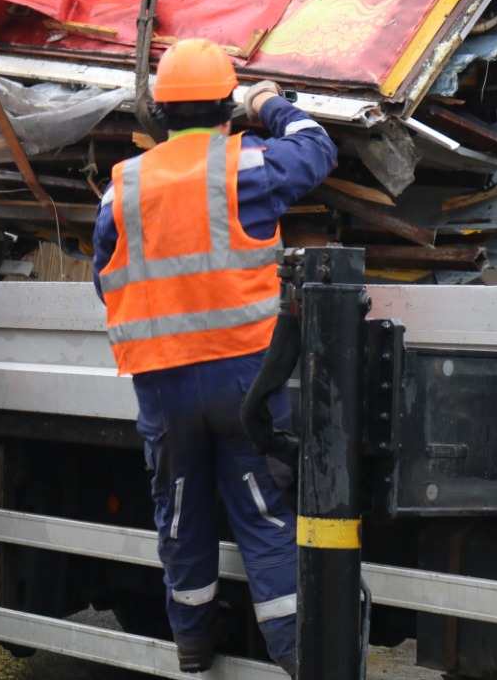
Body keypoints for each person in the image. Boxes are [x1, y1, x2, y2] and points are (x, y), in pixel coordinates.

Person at [92, 38, 337, 678]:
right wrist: (271, 104)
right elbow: (317, 148)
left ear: (158, 115)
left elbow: (105, 278)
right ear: (229, 108)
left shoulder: (121, 188)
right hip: (244, 381)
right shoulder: (246, 165)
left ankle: (194, 651)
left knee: (180, 517)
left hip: (164, 384)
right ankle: (300, 658)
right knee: (261, 517)